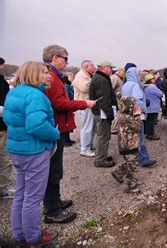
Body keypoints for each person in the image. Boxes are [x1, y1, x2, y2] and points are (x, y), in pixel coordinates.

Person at [3, 62, 60, 246]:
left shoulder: (14, 92)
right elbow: (36, 125)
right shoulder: (36, 95)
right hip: (34, 151)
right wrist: (55, 134)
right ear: (34, 74)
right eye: (44, 72)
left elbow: (8, 118)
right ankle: (33, 237)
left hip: (17, 151)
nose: (49, 75)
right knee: (33, 197)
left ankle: (19, 234)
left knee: (21, 193)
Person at [42, 45, 95, 224]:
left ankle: (55, 202)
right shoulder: (51, 77)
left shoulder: (54, 76)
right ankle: (52, 211)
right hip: (54, 128)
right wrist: (83, 104)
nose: (67, 62)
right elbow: (58, 103)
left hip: (55, 127)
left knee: (55, 170)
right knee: (53, 171)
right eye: (65, 58)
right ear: (55, 58)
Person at [121, 67, 157, 167]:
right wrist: (144, 110)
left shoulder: (125, 85)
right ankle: (143, 160)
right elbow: (138, 100)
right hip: (137, 115)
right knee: (140, 138)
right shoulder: (135, 85)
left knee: (132, 139)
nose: (140, 75)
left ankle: (135, 158)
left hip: (127, 114)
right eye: (139, 74)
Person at [89, 61, 118, 167]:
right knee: (104, 135)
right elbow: (104, 99)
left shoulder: (99, 77)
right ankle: (100, 160)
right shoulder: (102, 80)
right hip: (102, 112)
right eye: (110, 68)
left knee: (103, 135)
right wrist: (109, 113)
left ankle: (101, 155)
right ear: (105, 68)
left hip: (100, 111)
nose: (111, 70)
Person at [111, 96, 141, 194]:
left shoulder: (122, 114)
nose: (135, 106)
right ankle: (131, 185)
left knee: (130, 161)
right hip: (129, 145)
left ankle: (118, 173)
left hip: (125, 144)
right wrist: (137, 115)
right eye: (133, 105)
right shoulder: (127, 117)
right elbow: (137, 127)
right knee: (133, 165)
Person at [72, 60, 97, 157]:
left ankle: (89, 145)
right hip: (84, 105)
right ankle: (84, 149)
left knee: (92, 126)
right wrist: (95, 83)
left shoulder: (87, 75)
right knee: (87, 127)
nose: (94, 67)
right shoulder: (80, 75)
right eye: (92, 65)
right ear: (87, 67)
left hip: (88, 104)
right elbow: (85, 88)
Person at [0, 57, 13, 199]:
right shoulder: (2, 82)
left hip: (3, 125)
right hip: (1, 126)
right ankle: (2, 189)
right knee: (4, 159)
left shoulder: (3, 82)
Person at [143, 74, 163, 140]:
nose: (154, 80)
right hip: (153, 106)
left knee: (148, 121)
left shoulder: (145, 87)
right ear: (150, 80)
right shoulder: (152, 87)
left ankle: (148, 133)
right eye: (153, 78)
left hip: (148, 106)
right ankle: (151, 134)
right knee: (152, 122)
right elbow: (160, 94)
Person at [110, 67, 125, 134]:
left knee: (118, 114)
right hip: (115, 99)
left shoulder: (119, 78)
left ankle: (115, 128)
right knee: (116, 114)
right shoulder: (115, 78)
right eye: (122, 71)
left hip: (118, 99)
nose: (123, 73)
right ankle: (113, 129)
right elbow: (110, 89)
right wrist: (117, 94)